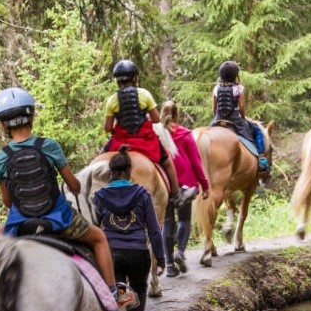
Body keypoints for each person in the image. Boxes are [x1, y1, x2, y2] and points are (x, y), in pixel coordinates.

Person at [0, 86, 137, 311]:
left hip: (20, 224)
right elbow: (75, 187)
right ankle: (114, 294)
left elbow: (7, 202)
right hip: (59, 218)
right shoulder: (48, 146)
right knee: (99, 238)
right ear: (31, 117)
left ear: (2, 124)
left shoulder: (1, 157)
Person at [92, 146, 166, 311]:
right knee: (140, 288)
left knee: (117, 297)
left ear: (111, 172)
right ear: (130, 170)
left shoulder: (100, 196)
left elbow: (96, 228)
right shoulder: (142, 194)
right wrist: (161, 257)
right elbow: (153, 229)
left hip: (112, 254)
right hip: (138, 252)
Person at [104, 59, 197, 209]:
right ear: (134, 78)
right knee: (166, 161)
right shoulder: (144, 94)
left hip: (121, 141)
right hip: (144, 140)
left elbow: (108, 128)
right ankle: (176, 194)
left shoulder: (112, 100)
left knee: (100, 158)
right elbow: (155, 120)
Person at [159, 100, 209, 278]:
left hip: (165, 184)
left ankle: (170, 264)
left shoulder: (157, 134)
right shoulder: (186, 134)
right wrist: (204, 184)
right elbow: (196, 162)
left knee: (168, 222)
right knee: (184, 220)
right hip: (186, 184)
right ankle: (180, 251)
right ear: (177, 115)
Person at [210, 60, 270, 173]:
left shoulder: (216, 88)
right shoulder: (239, 88)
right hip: (235, 120)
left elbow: (214, 109)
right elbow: (242, 108)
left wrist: (217, 118)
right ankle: (261, 159)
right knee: (257, 131)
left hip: (218, 119)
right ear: (235, 75)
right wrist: (243, 118)